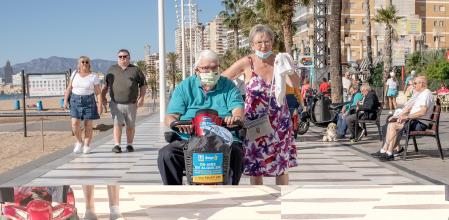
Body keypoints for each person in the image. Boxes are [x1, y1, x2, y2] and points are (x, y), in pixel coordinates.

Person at [222, 24, 300, 185]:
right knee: (255, 165)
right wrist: (232, 104)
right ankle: (260, 197)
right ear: (252, 44)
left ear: (272, 42)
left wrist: (290, 70)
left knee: (281, 165)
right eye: (259, 42)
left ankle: (281, 200)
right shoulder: (247, 62)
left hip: (279, 121)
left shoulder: (279, 61)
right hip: (254, 122)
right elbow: (223, 79)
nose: (263, 46)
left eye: (267, 41)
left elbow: (295, 84)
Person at [157, 49, 245, 185]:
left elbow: (238, 111)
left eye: (214, 67)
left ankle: (232, 187)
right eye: (205, 68)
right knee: (166, 154)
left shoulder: (228, 86)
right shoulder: (185, 86)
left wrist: (235, 118)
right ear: (197, 70)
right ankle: (173, 191)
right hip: (190, 140)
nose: (210, 72)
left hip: (223, 140)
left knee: (237, 153)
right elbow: (170, 116)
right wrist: (177, 123)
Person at [372, 76, 435, 161]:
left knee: (393, 126)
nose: (413, 85)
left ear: (422, 84)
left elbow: (422, 112)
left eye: (415, 83)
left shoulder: (426, 94)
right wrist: (400, 116)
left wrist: (407, 117)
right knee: (391, 124)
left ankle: (389, 152)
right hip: (414, 121)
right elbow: (410, 109)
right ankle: (386, 151)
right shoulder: (421, 94)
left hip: (420, 123)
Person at [101, 49, 147, 153]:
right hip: (115, 104)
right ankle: (117, 145)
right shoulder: (111, 69)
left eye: (125, 56)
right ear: (118, 58)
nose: (123, 58)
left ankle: (129, 145)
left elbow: (143, 85)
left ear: (129, 58)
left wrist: (142, 97)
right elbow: (105, 86)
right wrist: (103, 97)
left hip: (131, 104)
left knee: (130, 125)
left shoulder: (136, 70)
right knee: (117, 124)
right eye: (120, 57)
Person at [64, 56, 102, 154]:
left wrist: (100, 105)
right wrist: (65, 101)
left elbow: (98, 92)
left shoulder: (94, 76)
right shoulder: (74, 74)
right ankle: (79, 142)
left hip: (89, 100)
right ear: (79, 64)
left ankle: (87, 145)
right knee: (74, 124)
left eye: (86, 62)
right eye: (82, 62)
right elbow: (69, 88)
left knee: (88, 125)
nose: (84, 63)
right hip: (75, 100)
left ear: (89, 64)